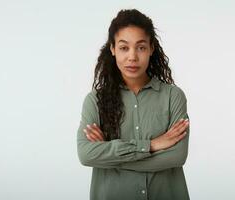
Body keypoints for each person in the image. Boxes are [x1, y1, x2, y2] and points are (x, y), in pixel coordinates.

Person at [77, 8, 190, 200]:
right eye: (123, 47)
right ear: (112, 49)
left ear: (151, 48)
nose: (132, 57)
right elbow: (86, 155)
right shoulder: (95, 100)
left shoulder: (173, 96)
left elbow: (177, 156)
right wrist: (152, 145)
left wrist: (110, 156)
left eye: (141, 47)